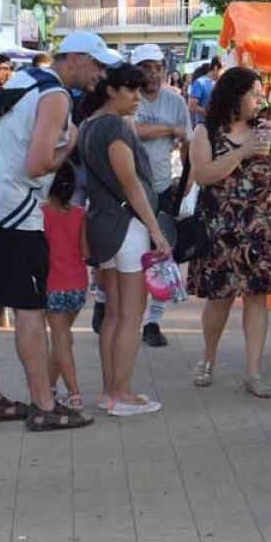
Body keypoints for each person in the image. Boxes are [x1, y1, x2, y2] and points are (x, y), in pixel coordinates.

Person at [0, 30, 118, 431]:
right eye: (97, 64)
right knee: (29, 311)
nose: (100, 74)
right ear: (74, 58)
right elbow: (38, 164)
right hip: (11, 212)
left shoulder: (26, 78)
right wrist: (70, 142)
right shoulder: (56, 95)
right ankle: (44, 405)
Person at [188, 67, 271, 395]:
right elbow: (203, 175)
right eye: (254, 94)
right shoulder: (206, 132)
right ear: (234, 96)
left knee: (257, 298)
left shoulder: (266, 129)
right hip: (221, 230)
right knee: (219, 299)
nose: (260, 100)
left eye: (261, 95)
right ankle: (207, 358)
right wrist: (242, 152)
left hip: (261, 229)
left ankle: (253, 372)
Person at [78, 63, 171, 416]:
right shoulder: (114, 127)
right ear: (112, 91)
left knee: (114, 314)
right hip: (127, 227)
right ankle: (121, 394)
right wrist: (156, 230)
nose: (137, 98)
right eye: (130, 90)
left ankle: (110, 392)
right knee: (131, 316)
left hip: (103, 224)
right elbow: (130, 183)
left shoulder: (89, 125)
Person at [131, 43, 189, 347]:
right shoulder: (128, 97)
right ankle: (115, 309)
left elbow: (188, 140)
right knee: (129, 257)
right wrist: (169, 129)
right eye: (146, 68)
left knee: (163, 256)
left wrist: (188, 180)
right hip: (129, 190)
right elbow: (133, 130)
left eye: (158, 68)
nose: (153, 74)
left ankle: (152, 322)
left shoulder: (175, 101)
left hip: (163, 188)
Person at [43, 162, 87, 408]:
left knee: (61, 339)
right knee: (63, 338)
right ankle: (49, 385)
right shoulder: (80, 214)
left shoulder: (39, 214)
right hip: (78, 285)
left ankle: (74, 392)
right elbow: (86, 252)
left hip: (53, 285)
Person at [187, 56, 221, 125]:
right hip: (203, 125)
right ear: (216, 68)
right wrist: (210, 114)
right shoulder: (199, 82)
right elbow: (192, 106)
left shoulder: (217, 83)